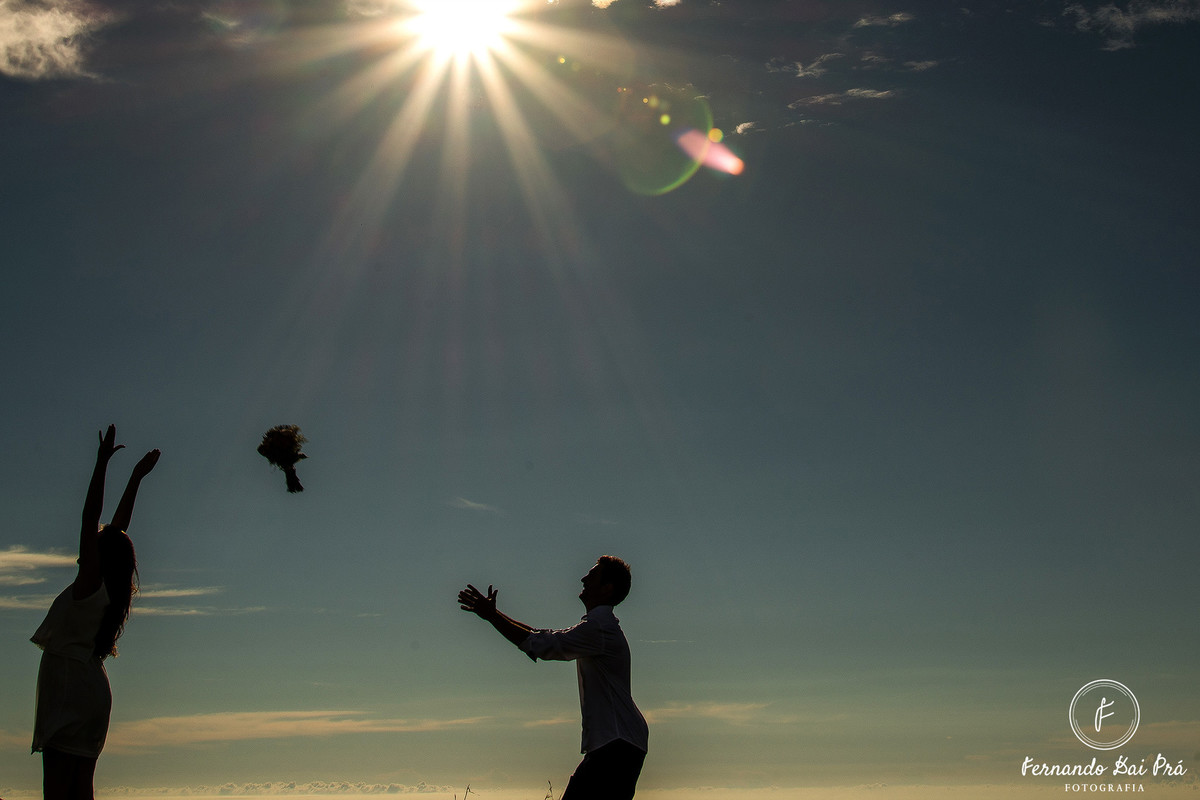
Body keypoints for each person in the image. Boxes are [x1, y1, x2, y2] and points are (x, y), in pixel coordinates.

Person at [31, 425, 160, 800]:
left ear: (97, 553)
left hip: (69, 687)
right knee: (80, 790)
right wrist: (135, 477)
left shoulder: (89, 582)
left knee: (56, 791)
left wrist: (101, 463)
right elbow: (116, 530)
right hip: (92, 690)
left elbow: (92, 519)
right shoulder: (110, 588)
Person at [458, 556, 649, 800]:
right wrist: (494, 615)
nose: (583, 578)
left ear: (607, 588)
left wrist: (493, 617)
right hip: (620, 741)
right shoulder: (600, 626)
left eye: (592, 575)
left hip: (616, 742)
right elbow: (541, 636)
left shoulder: (599, 627)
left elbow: (541, 644)